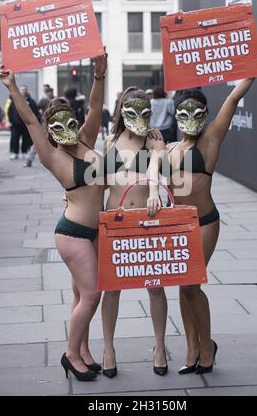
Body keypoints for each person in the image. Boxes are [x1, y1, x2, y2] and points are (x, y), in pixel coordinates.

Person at [0, 48, 108, 382]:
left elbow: (94, 106)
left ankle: (85, 351)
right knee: (91, 295)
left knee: (81, 296)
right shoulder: (52, 155)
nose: (67, 129)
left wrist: (100, 74)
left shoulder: (87, 139)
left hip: (95, 231)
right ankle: (71, 354)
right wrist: (12, 87)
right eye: (57, 125)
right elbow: (30, 119)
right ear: (50, 129)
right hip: (73, 233)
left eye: (69, 122)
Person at [162, 46, 257, 375]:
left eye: (198, 114)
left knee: (192, 285)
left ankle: (207, 344)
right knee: (183, 285)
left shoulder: (210, 138)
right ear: (176, 114)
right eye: (184, 114)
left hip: (204, 222)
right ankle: (192, 348)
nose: (192, 120)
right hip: (177, 224)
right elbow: (128, 167)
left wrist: (254, 66)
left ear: (205, 115)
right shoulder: (167, 147)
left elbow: (233, 98)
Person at [102, 87, 168, 378]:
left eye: (144, 110)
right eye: (132, 110)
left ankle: (159, 346)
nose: (139, 116)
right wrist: (72, 195)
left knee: (155, 285)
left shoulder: (152, 140)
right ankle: (108, 349)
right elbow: (100, 183)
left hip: (146, 219)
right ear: (122, 111)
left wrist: (154, 190)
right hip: (115, 222)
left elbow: (156, 168)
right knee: (112, 287)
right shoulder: (110, 142)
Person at [8, 86, 40, 159]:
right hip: (16, 124)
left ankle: (24, 152)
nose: (23, 91)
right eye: (22, 90)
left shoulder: (31, 101)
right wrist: (11, 121)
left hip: (26, 124)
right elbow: (10, 111)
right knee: (15, 138)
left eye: (25, 90)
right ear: (20, 91)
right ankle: (15, 153)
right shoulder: (15, 100)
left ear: (27, 91)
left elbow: (35, 112)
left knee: (25, 139)